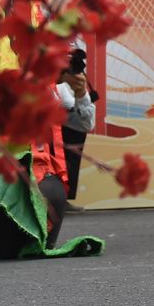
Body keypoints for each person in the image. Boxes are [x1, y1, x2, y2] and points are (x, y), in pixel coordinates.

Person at [56, 48, 98, 202]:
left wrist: (81, 93)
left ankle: (63, 197)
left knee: (77, 132)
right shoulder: (45, 81)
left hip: (68, 134)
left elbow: (87, 124)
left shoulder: (75, 84)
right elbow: (65, 102)